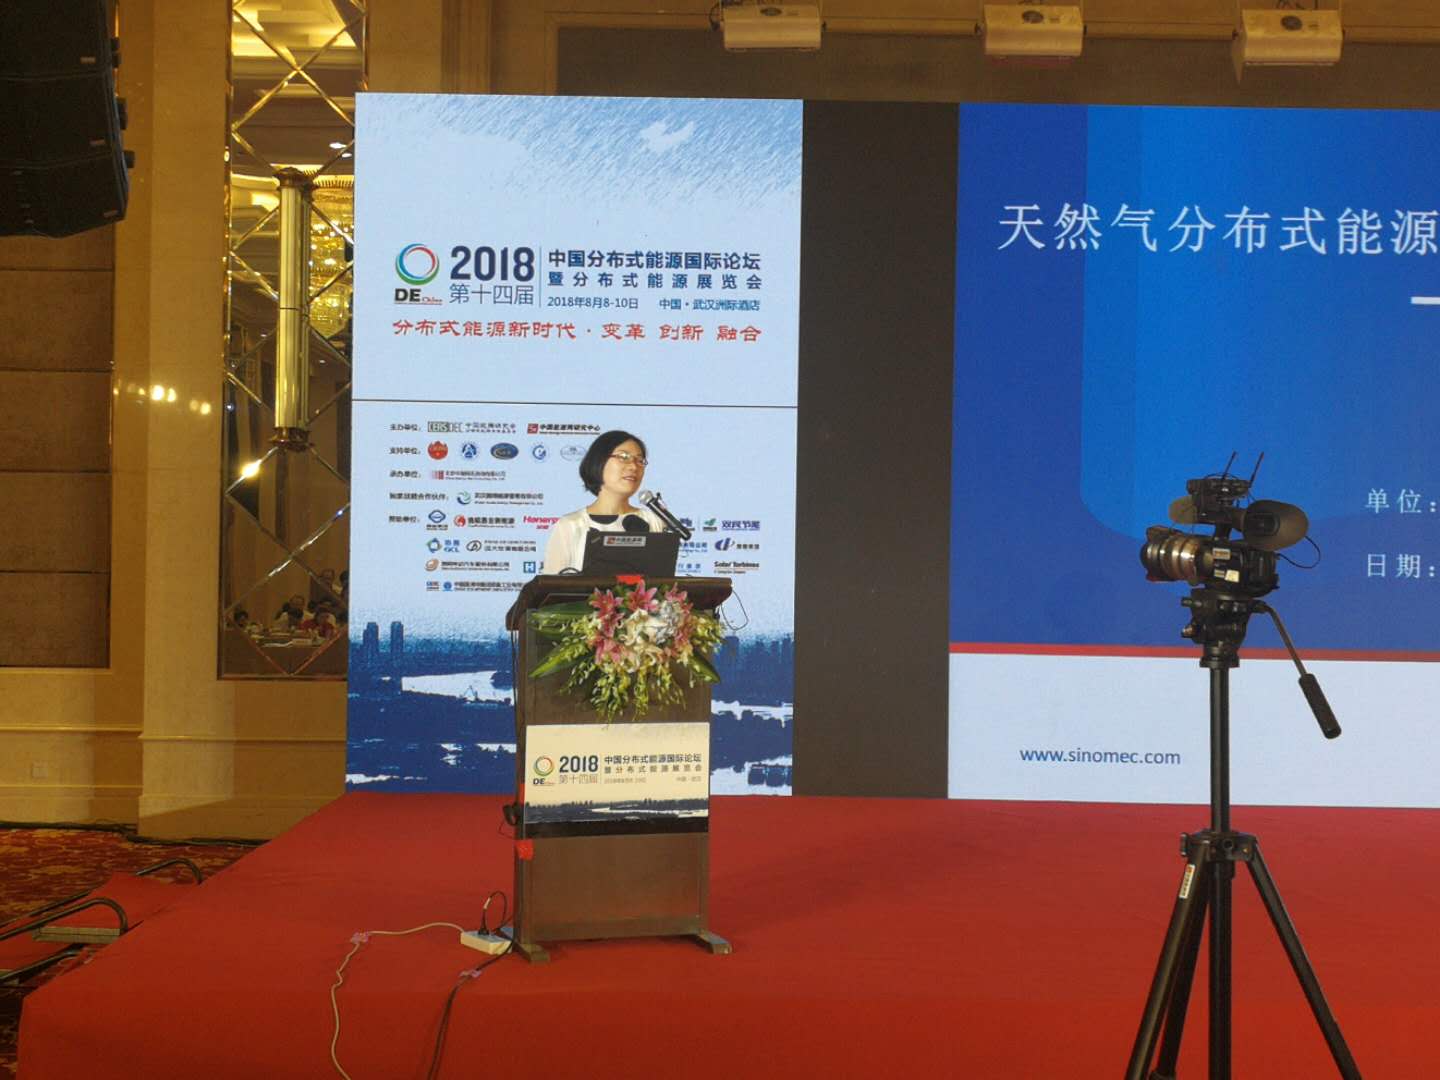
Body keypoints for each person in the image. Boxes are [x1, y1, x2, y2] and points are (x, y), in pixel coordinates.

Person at [541, 430, 666, 574]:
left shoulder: (653, 521)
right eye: (623, 457)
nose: (633, 466)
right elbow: (551, 584)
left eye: (640, 460)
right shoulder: (570, 525)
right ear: (599, 461)